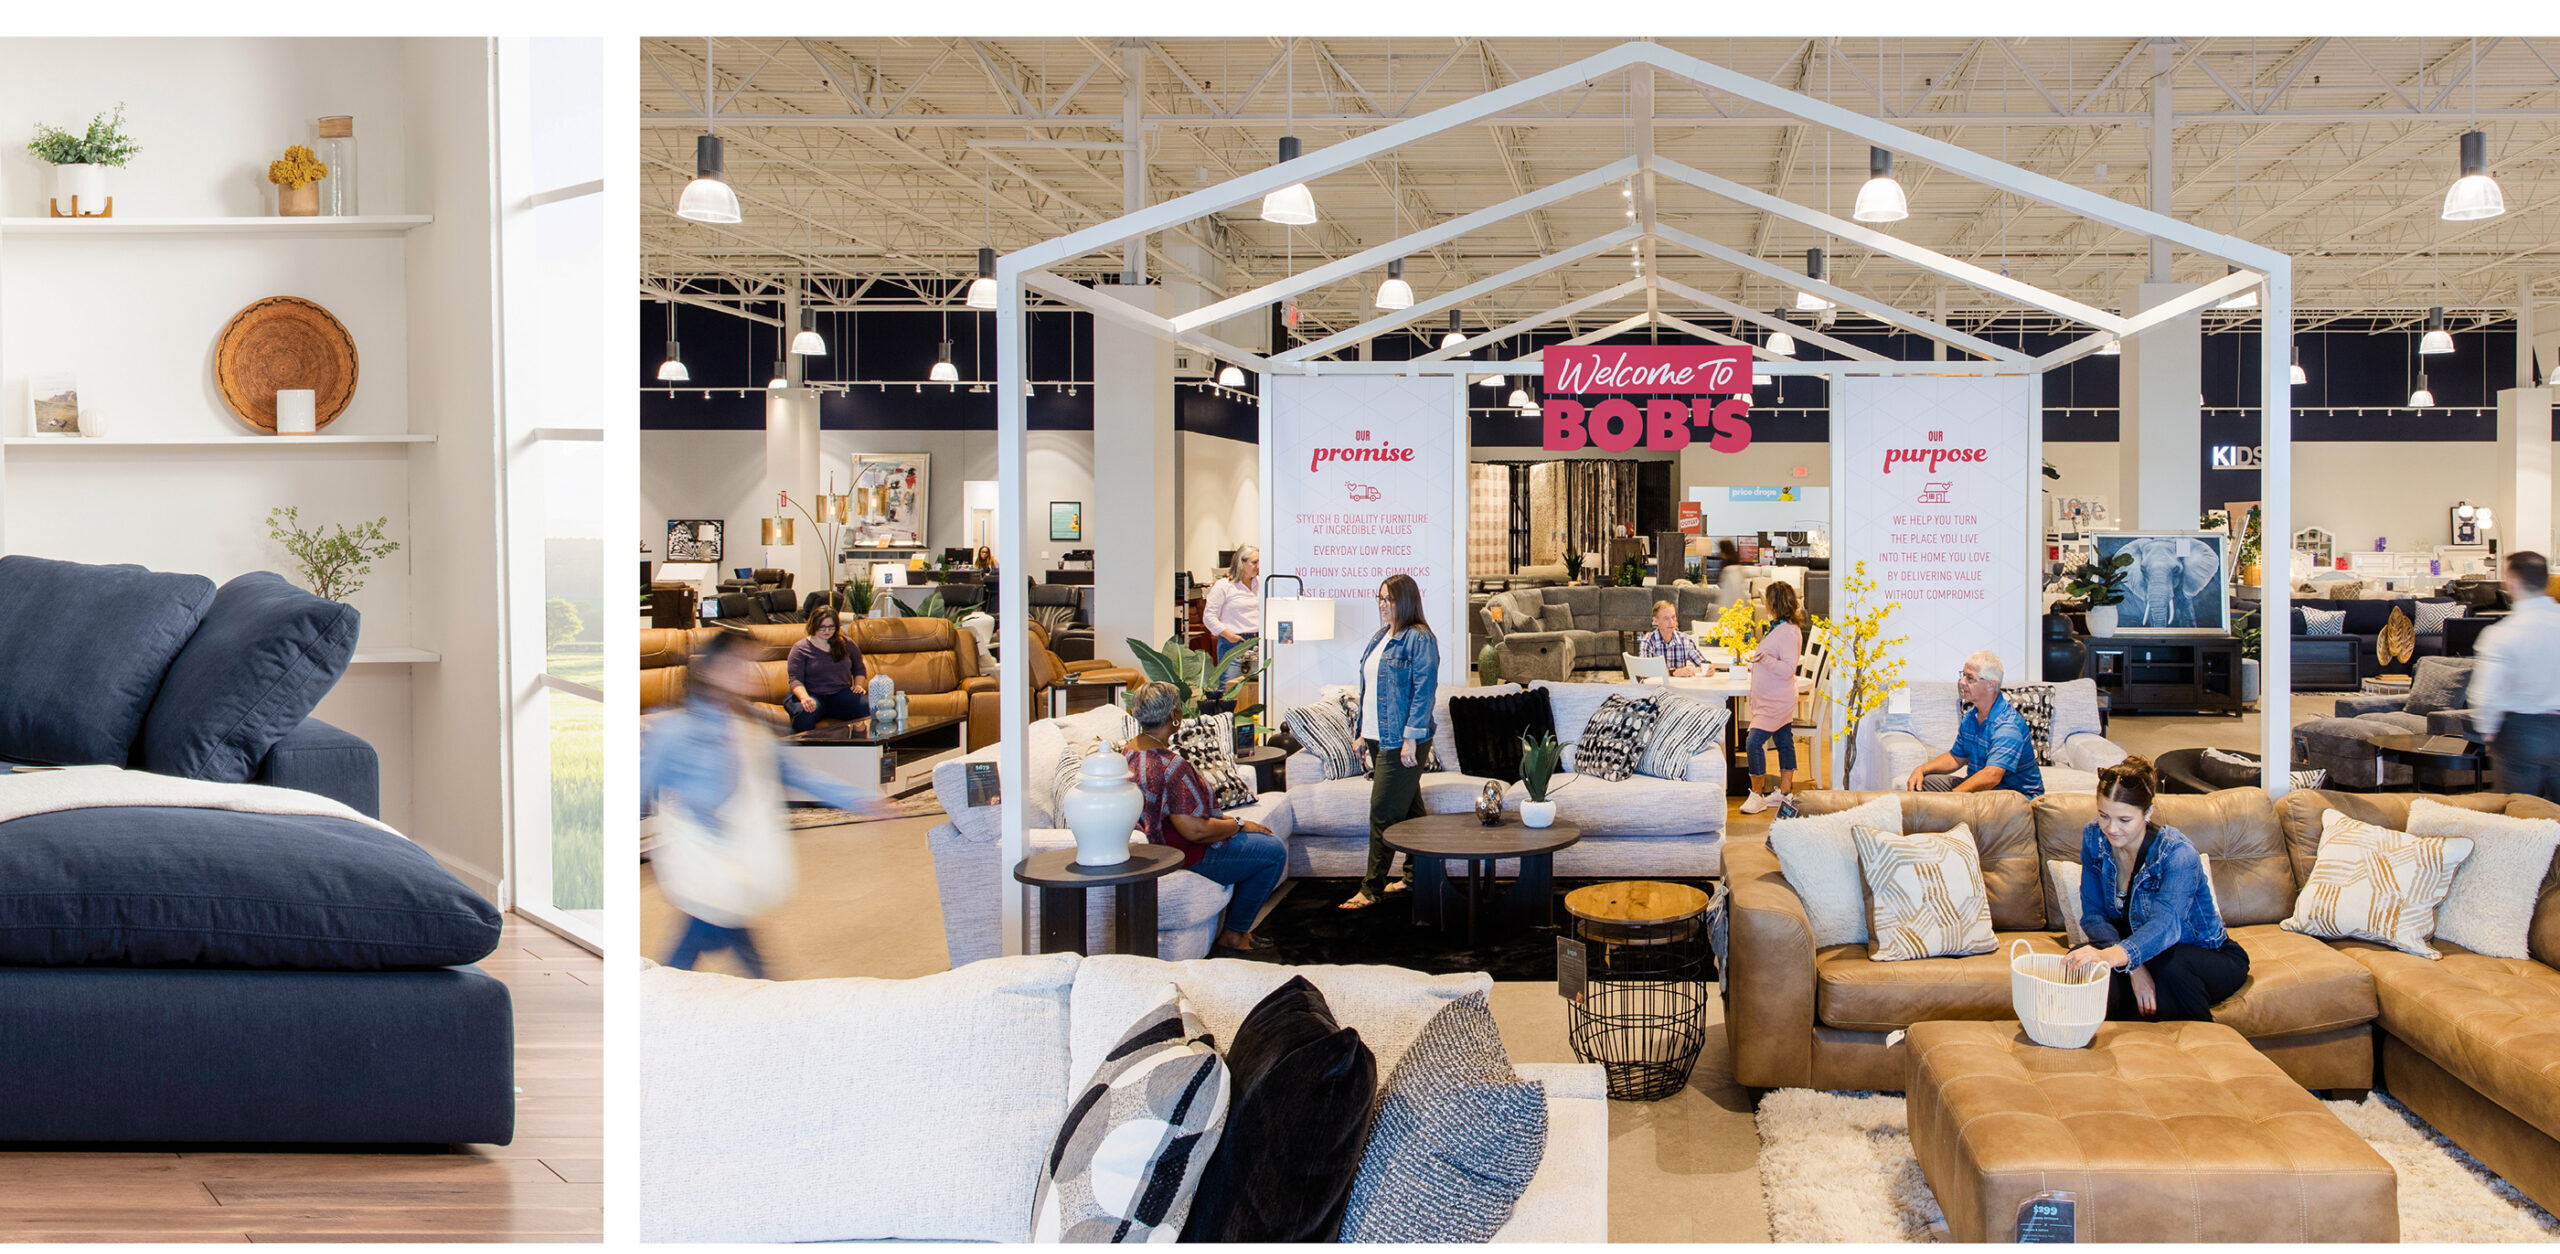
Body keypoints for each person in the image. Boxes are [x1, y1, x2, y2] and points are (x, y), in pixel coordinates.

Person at [642, 631, 904, 978]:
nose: (747, 672)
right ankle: (666, 996)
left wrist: (861, 800)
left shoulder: (750, 726)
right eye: (737, 664)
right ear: (712, 671)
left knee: (720, 934)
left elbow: (797, 774)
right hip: (703, 857)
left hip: (736, 857)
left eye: (750, 664)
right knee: (709, 938)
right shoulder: (677, 730)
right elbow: (639, 786)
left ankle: (672, 992)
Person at [2064, 757, 2247, 1021]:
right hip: (2138, 950)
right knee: (2081, 963)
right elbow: (2094, 915)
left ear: (2148, 813)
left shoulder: (2177, 853)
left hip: (2202, 954)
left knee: (2168, 966)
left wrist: (2119, 957)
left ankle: (2194, 1042)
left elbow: (2165, 926)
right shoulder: (2094, 837)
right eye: (2104, 816)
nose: (2111, 829)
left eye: (2124, 819)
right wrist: (2132, 968)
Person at [1121, 681, 1287, 955]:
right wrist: (1238, 824)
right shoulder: (1170, 765)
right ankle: (1234, 935)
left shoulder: (1128, 752)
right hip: (1181, 853)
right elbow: (1195, 831)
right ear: (1174, 716)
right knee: (1273, 852)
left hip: (1154, 846)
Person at [1341, 573, 1440, 911]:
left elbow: (1423, 692)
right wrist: (1360, 732)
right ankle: (1417, 876)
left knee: (1382, 811)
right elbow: (1369, 690)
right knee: (1412, 811)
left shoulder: (1419, 638)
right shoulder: (1380, 636)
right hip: (1375, 735)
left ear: (1407, 601)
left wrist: (1411, 738)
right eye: (1380, 599)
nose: (1383, 605)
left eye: (1390, 599)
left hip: (1400, 740)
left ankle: (1371, 889)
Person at [2474, 550, 2560, 802]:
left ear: (2511, 582)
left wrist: (2487, 730)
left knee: (2516, 815)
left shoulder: (2502, 633)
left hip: (2520, 732)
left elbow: (2486, 692)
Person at [1903, 649, 2044, 797]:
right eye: (1963, 675)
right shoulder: (1972, 716)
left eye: (1970, 678)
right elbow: (1956, 758)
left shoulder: (2007, 725)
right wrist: (1921, 769)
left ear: (1991, 685)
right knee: (1924, 783)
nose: (1961, 682)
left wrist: (1951, 798)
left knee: (1950, 802)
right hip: (1984, 792)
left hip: (2013, 796)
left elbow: (1992, 776)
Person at [1740, 582, 1805, 815]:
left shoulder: (1787, 632)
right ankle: (1785, 793)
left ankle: (1756, 795)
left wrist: (1763, 659)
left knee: (1753, 742)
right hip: (1773, 697)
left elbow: (1787, 669)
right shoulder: (1782, 628)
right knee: (1783, 740)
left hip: (1776, 700)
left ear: (1774, 603)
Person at [784, 607, 867, 734]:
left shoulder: (847, 644)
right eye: (822, 627)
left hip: (839, 694)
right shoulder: (800, 649)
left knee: (866, 705)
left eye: (831, 627)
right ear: (814, 625)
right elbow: (795, 679)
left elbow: (859, 668)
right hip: (810, 694)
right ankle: (800, 746)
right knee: (805, 712)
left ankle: (862, 744)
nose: (827, 631)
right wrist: (804, 698)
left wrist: (858, 685)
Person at [1202, 545, 1260, 688]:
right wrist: (1228, 635)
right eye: (1254, 562)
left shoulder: (1260, 583)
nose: (1258, 566)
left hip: (1258, 642)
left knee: (1255, 689)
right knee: (1229, 688)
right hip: (1233, 643)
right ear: (1241, 563)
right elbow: (1209, 616)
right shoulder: (1224, 585)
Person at [1635, 599, 1712, 678]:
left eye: (1673, 617)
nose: (1671, 622)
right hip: (1655, 686)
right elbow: (1644, 673)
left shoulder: (1685, 640)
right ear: (1655, 621)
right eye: (1666, 618)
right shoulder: (1648, 641)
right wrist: (1673, 672)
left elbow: (1702, 662)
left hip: (1679, 685)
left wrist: (1709, 668)